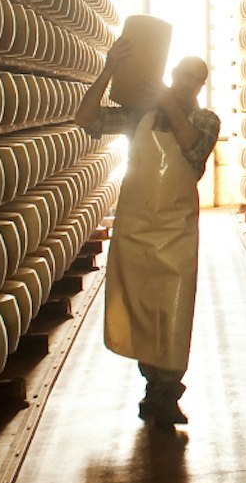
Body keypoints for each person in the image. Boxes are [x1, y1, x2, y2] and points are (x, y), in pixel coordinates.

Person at [75, 38, 221, 429]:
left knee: (172, 311)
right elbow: (86, 118)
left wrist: (167, 101)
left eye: (194, 79)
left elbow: (193, 151)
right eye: (182, 76)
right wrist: (108, 70)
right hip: (136, 228)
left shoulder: (206, 120)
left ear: (200, 86)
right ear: (172, 74)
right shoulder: (139, 113)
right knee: (139, 308)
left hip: (175, 232)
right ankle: (153, 388)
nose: (186, 83)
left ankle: (167, 388)